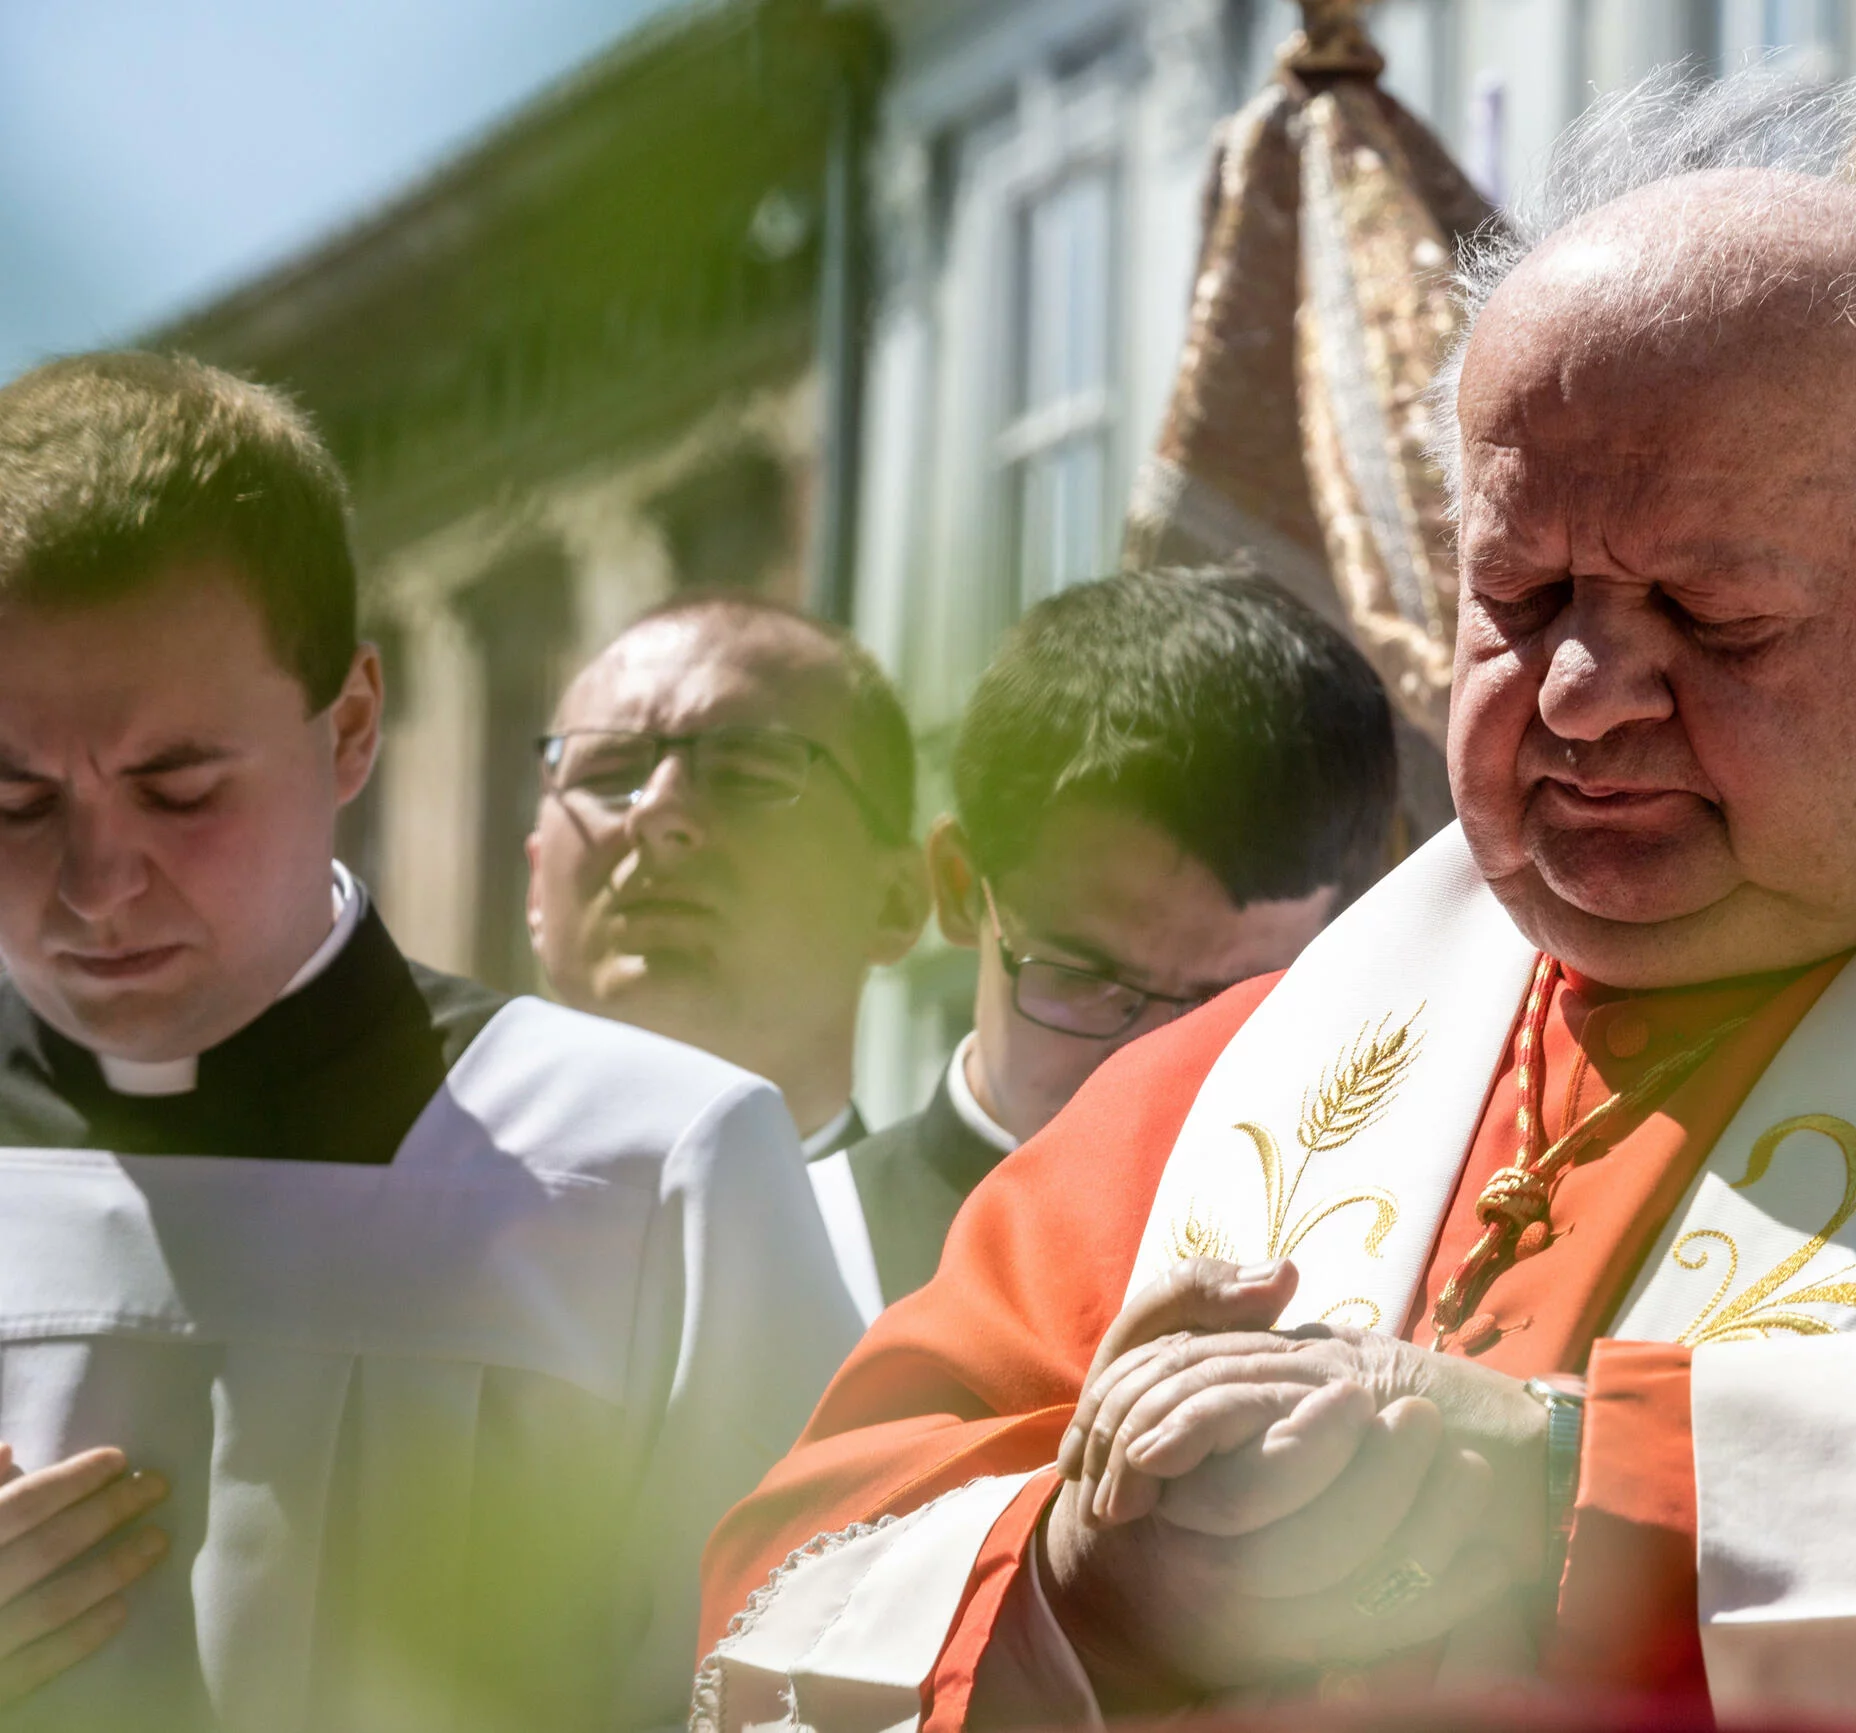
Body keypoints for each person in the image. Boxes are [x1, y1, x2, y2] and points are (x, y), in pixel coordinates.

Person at [692, 79, 1856, 1732]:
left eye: (1715, 613)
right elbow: (784, 1592)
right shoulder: (1217, 1091)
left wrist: (1559, 1492)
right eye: (1521, 603)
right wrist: (1071, 1573)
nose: (1590, 692)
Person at [0, 352, 859, 1729]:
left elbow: (816, 1689)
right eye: (15, 797)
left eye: (178, 788)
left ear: (348, 728)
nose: (96, 883)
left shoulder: (648, 1168)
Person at [830, 568, 1398, 1309]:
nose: (1152, 1070)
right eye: (1086, 979)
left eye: (1231, 1005)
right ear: (962, 887)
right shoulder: (781, 1261)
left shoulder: (1397, 1261)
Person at [527, 594, 929, 1319]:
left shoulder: (981, 1295)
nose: (657, 813)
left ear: (897, 899)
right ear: (534, 884)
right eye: (608, 772)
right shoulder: (390, 1253)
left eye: (746, 774)